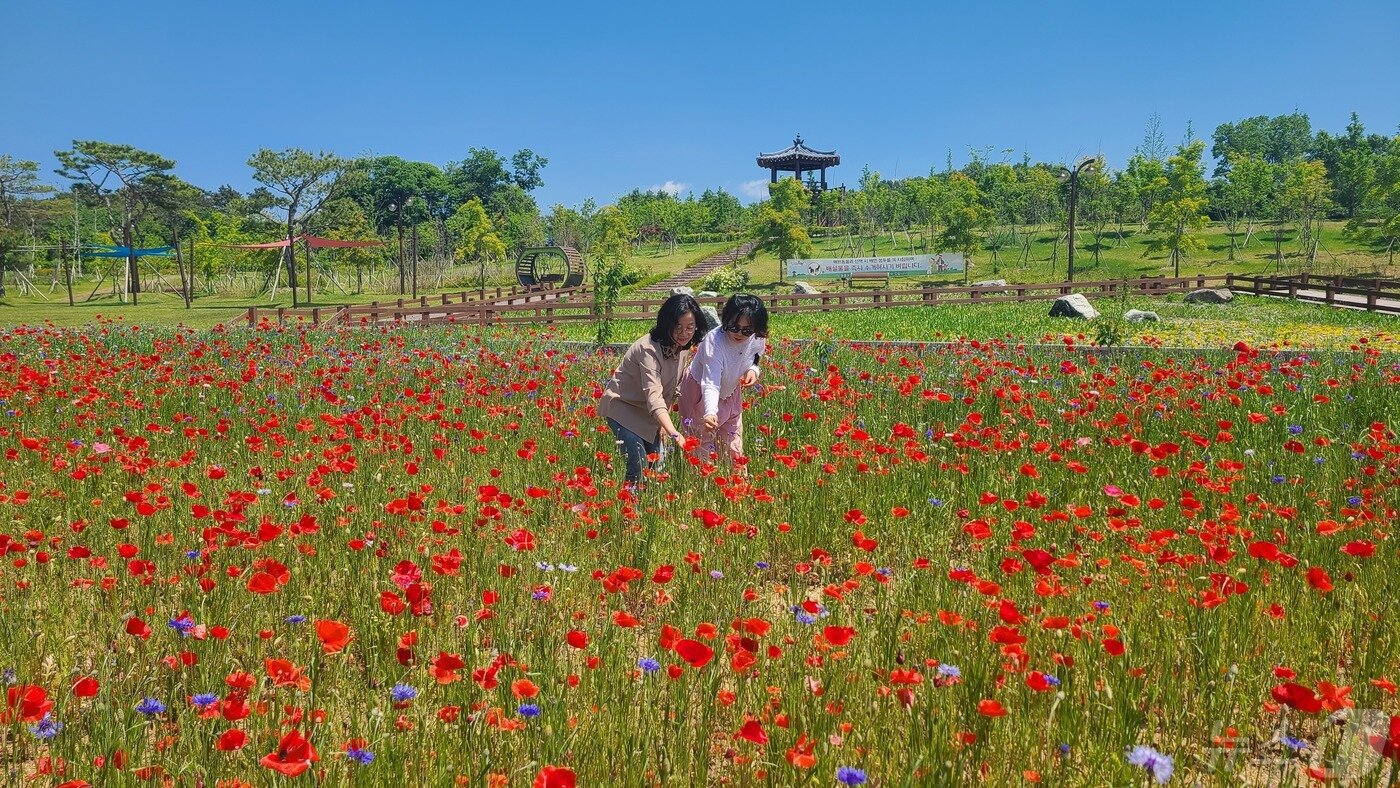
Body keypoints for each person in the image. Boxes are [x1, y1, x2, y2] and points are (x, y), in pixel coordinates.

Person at [597, 293, 707, 488]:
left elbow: (672, 390)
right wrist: (673, 432)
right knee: (638, 464)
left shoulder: (681, 348)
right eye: (678, 327)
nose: (684, 333)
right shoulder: (648, 349)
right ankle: (629, 511)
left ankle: (648, 510)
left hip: (650, 415)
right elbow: (654, 396)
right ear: (666, 324)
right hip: (624, 409)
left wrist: (663, 427)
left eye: (690, 327)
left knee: (657, 465)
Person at [679, 294, 769, 466]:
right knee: (701, 445)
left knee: (733, 443)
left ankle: (738, 488)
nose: (739, 333)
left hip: (731, 392)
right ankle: (703, 489)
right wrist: (710, 412)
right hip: (700, 392)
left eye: (746, 330)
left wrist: (753, 369)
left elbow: (757, 353)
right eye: (733, 327)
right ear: (725, 320)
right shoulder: (714, 341)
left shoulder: (758, 336)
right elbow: (710, 381)